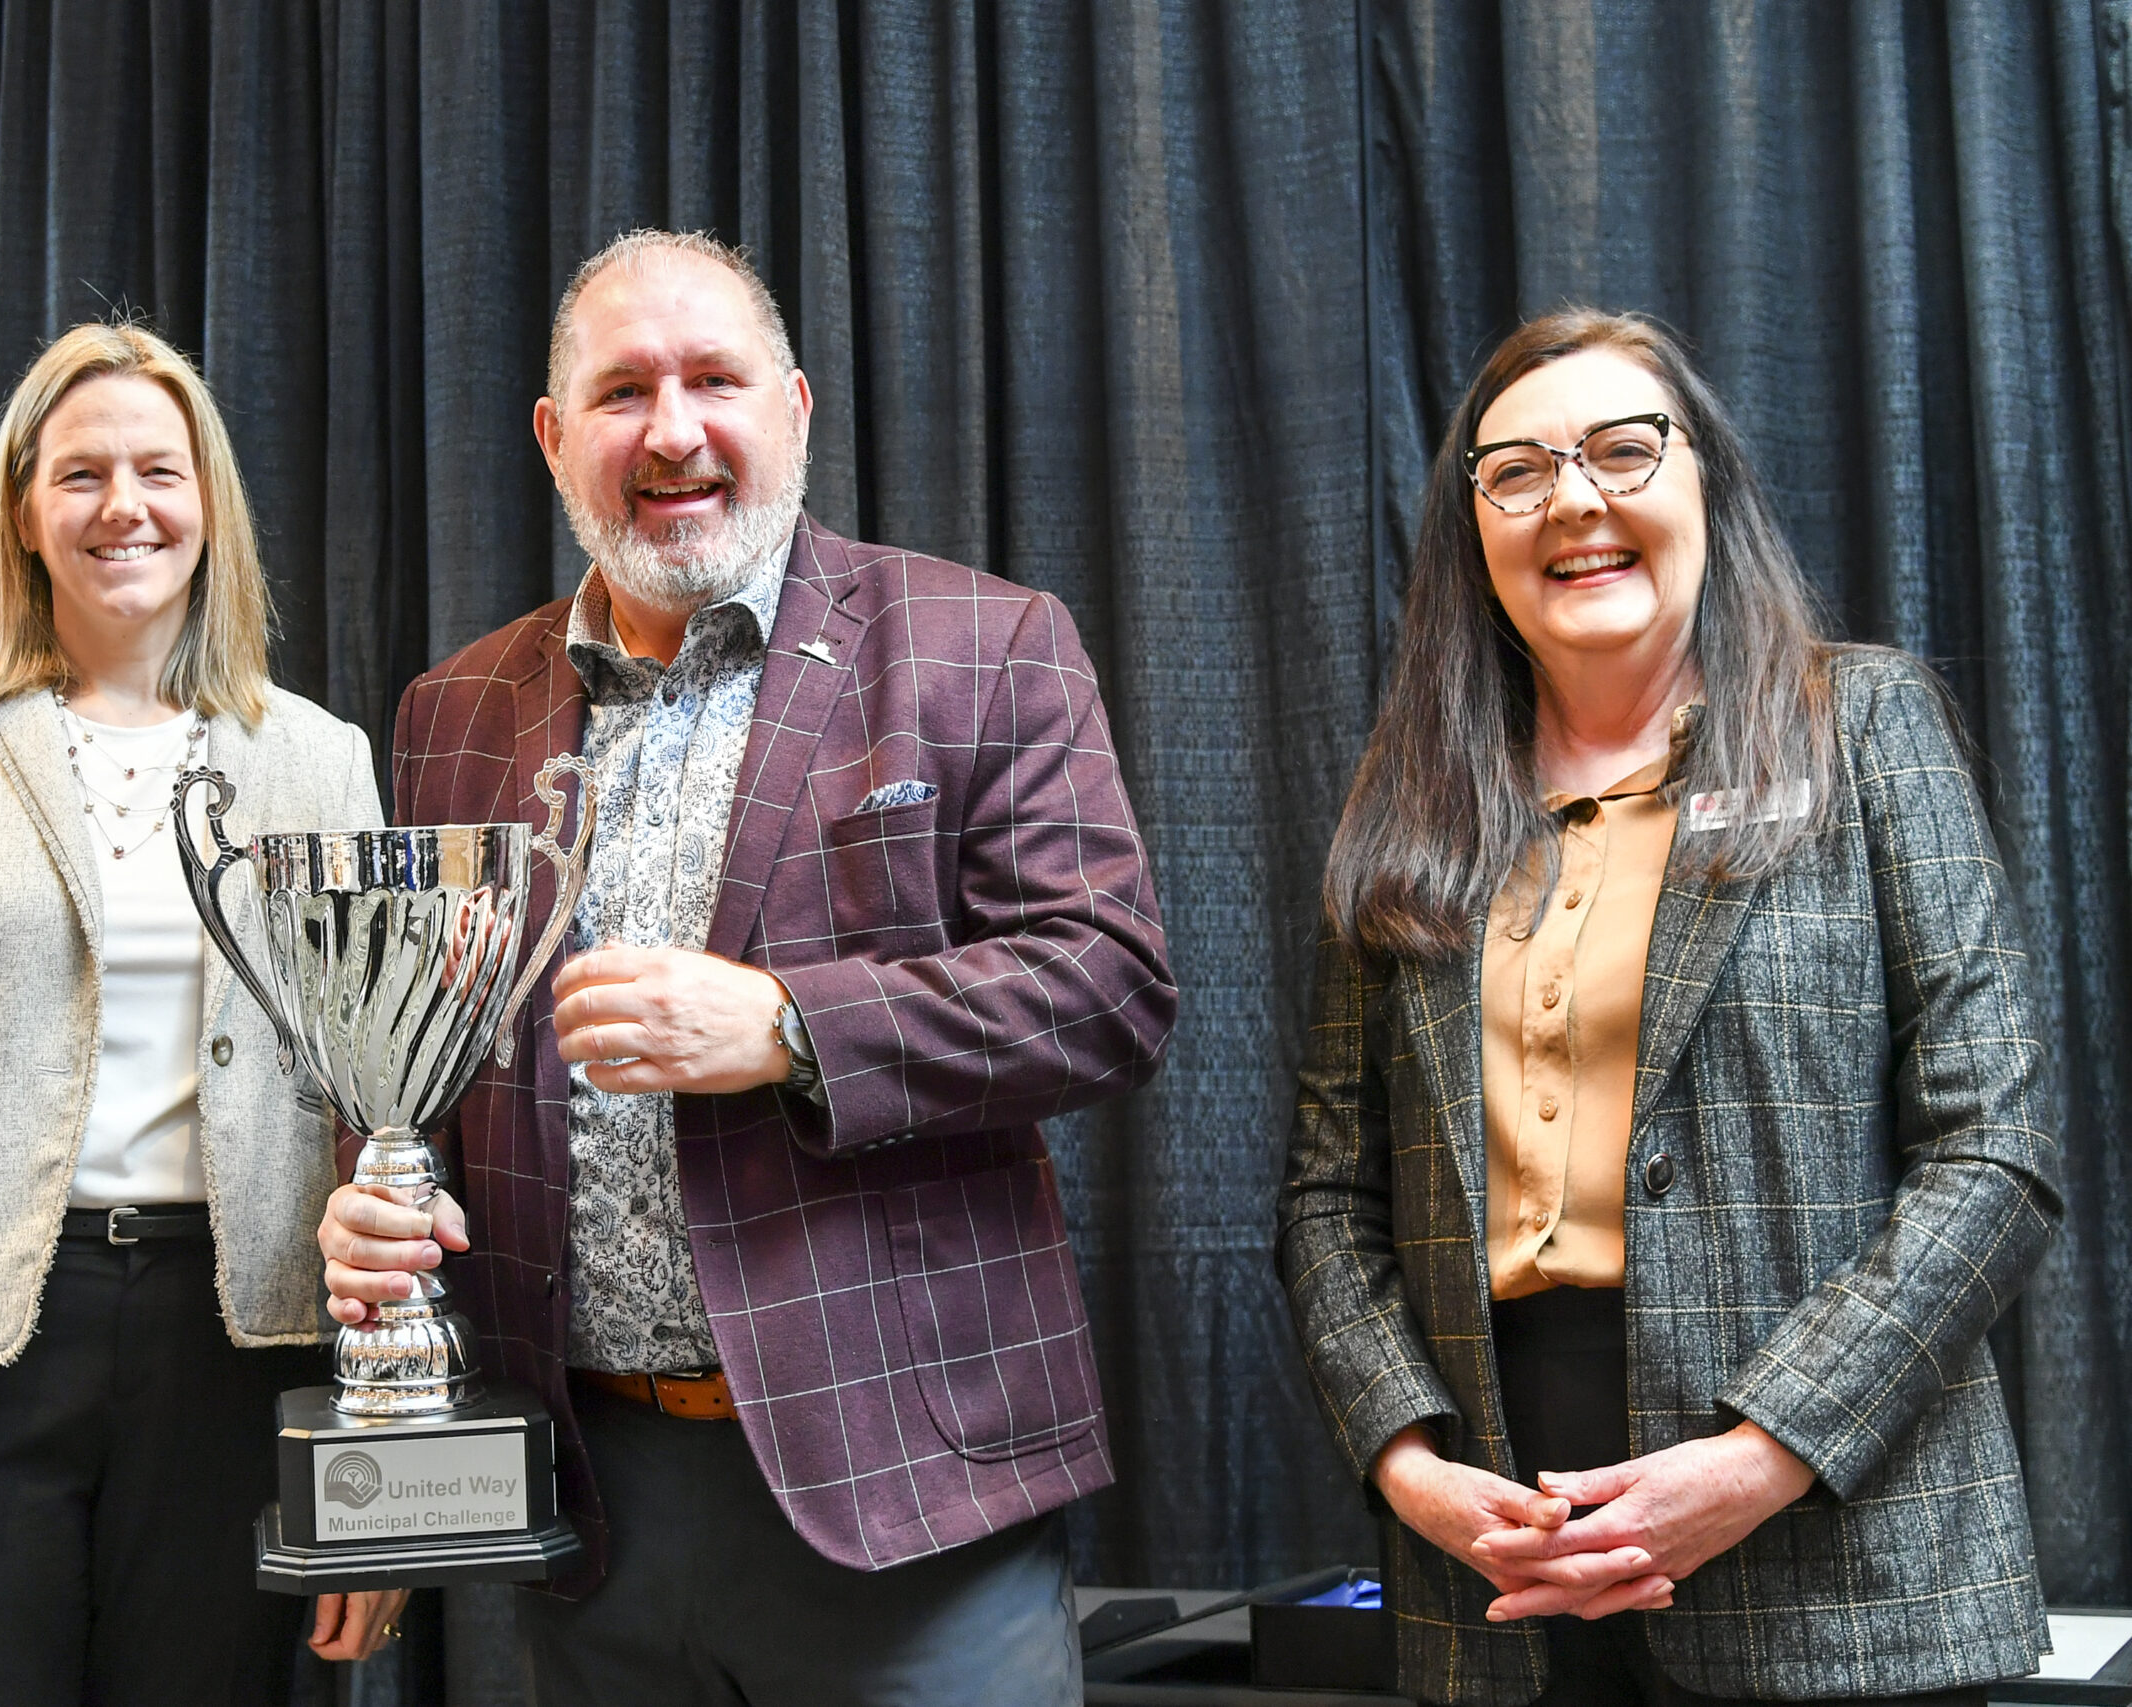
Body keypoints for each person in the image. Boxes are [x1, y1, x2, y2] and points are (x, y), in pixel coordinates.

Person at [315, 229, 1178, 1705]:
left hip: (901, 1495)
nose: (672, 430)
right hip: (582, 1502)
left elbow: (1107, 988)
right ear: (552, 436)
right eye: (623, 391)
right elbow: (415, 1048)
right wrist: (381, 1212)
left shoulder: (983, 640)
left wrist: (788, 1027)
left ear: (793, 407)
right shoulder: (452, 709)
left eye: (713, 379)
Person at [1278, 308, 2060, 1706]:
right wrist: (1413, 1475)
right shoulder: (1410, 809)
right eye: (1517, 471)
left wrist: (1762, 1458)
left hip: (1836, 1540)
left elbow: (1992, 1154)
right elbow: (1330, 1200)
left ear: (1708, 485)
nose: (1574, 499)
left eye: (1624, 452)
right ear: (1473, 530)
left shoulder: (1864, 728)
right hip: (1503, 1559)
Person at [0, 321, 406, 1702]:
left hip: (240, 1358)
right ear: (25, 514)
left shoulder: (323, 761)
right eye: (82, 474)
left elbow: (381, 1128)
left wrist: (381, 1466)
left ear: (208, 502)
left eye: (160, 470)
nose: (125, 507)